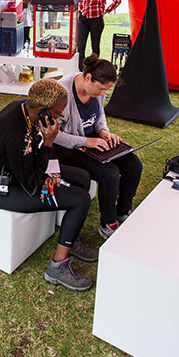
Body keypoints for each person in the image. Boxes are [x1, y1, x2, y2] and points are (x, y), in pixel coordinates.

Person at [0, 79, 97, 291]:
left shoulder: (24, 107)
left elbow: (31, 159)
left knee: (83, 177)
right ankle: (57, 267)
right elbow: (31, 183)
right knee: (80, 199)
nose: (61, 117)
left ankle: (71, 236)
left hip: (21, 171)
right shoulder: (13, 133)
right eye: (58, 113)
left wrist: (50, 167)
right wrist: (49, 142)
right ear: (43, 110)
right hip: (0, 187)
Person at [54, 55, 142, 239]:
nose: (103, 94)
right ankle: (108, 222)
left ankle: (123, 210)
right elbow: (54, 136)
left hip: (92, 140)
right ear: (88, 78)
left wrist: (103, 131)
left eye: (106, 90)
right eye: (101, 89)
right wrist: (86, 142)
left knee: (133, 164)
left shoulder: (96, 92)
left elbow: (99, 114)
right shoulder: (62, 93)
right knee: (109, 173)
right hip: (67, 148)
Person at [72, 0, 121, 65]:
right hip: (83, 18)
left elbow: (117, 0)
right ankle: (80, 69)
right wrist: (76, 7)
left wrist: (106, 11)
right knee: (80, 47)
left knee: (95, 46)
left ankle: (94, 69)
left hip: (96, 19)